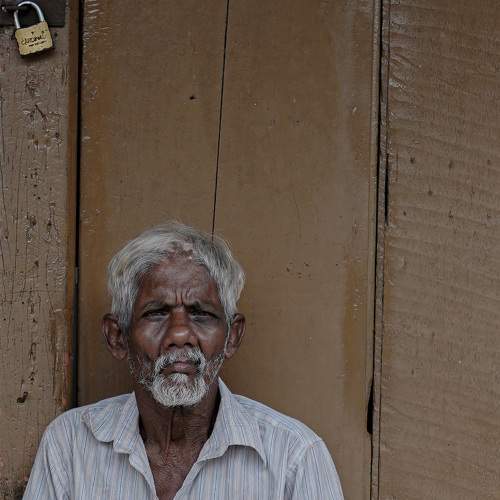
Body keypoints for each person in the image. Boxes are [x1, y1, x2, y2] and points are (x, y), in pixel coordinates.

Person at [24, 222, 344, 499]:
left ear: (232, 337)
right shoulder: (70, 445)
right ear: (117, 336)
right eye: (156, 313)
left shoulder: (294, 457)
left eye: (201, 314)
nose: (180, 334)